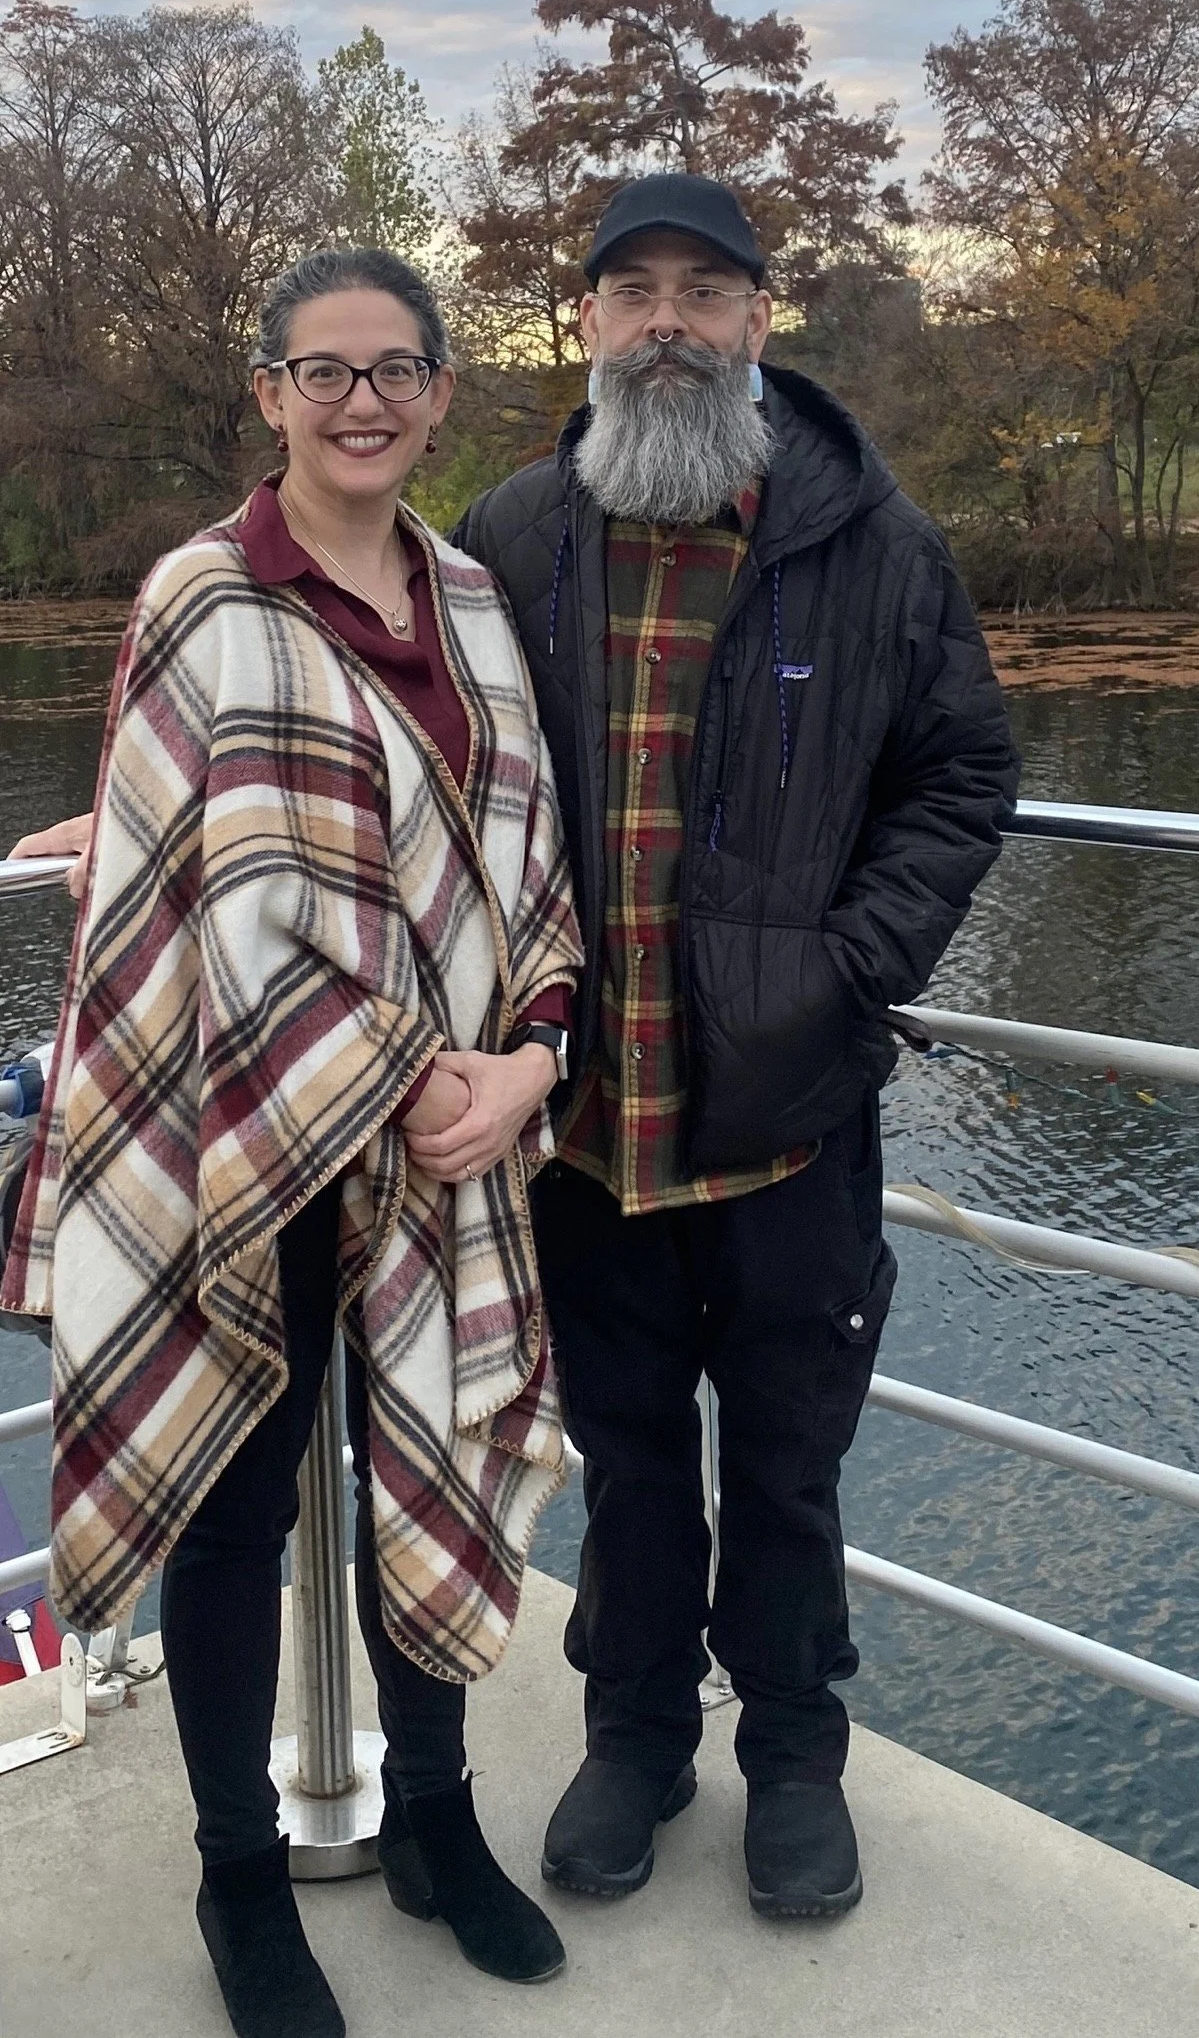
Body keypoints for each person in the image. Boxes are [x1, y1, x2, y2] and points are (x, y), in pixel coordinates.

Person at [2, 247, 582, 2038]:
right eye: (321, 372)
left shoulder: (475, 598)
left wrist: (532, 1058)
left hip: (447, 1140)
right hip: (239, 1141)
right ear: (266, 393)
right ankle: (237, 1874)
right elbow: (203, 890)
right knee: (238, 1510)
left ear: (437, 393)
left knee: (422, 1430)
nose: (360, 403)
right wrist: (417, 1059)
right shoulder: (199, 597)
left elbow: (524, 861)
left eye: (394, 369)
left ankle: (436, 1820)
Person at [451, 175, 1021, 1921]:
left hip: (788, 1113)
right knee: (625, 1457)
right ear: (590, 326)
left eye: (708, 290)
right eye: (636, 293)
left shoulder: (873, 538)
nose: (670, 322)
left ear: (762, 321)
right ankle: (633, 1738)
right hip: (579, 1119)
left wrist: (850, 970)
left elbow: (958, 776)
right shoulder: (514, 534)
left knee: (783, 1458)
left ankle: (792, 1754)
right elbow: (425, 770)